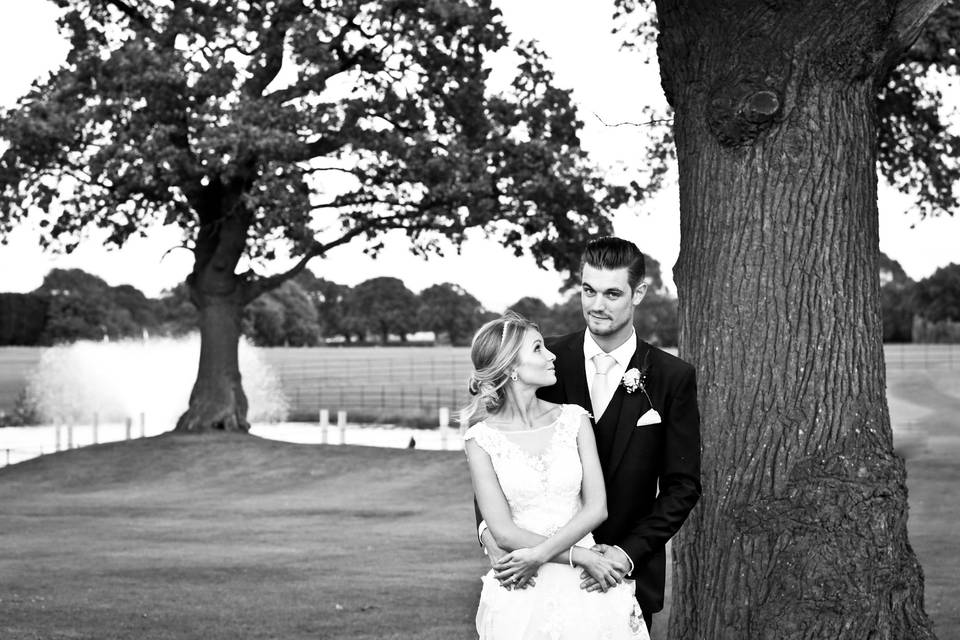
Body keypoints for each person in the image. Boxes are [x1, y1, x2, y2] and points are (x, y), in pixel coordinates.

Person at [478, 236, 702, 632]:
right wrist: (488, 533)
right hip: (540, 570)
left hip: (621, 574)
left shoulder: (671, 377)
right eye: (589, 290)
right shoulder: (544, 362)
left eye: (612, 293)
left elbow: (681, 485)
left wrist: (626, 554)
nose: (597, 305)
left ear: (639, 293)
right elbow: (498, 446)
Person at [462, 311, 649, 640]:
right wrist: (580, 557)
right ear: (510, 368)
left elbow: (596, 508)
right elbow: (503, 532)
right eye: (537, 348)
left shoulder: (574, 419)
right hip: (525, 584)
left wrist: (545, 555)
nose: (551, 355)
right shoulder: (480, 440)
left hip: (588, 586)